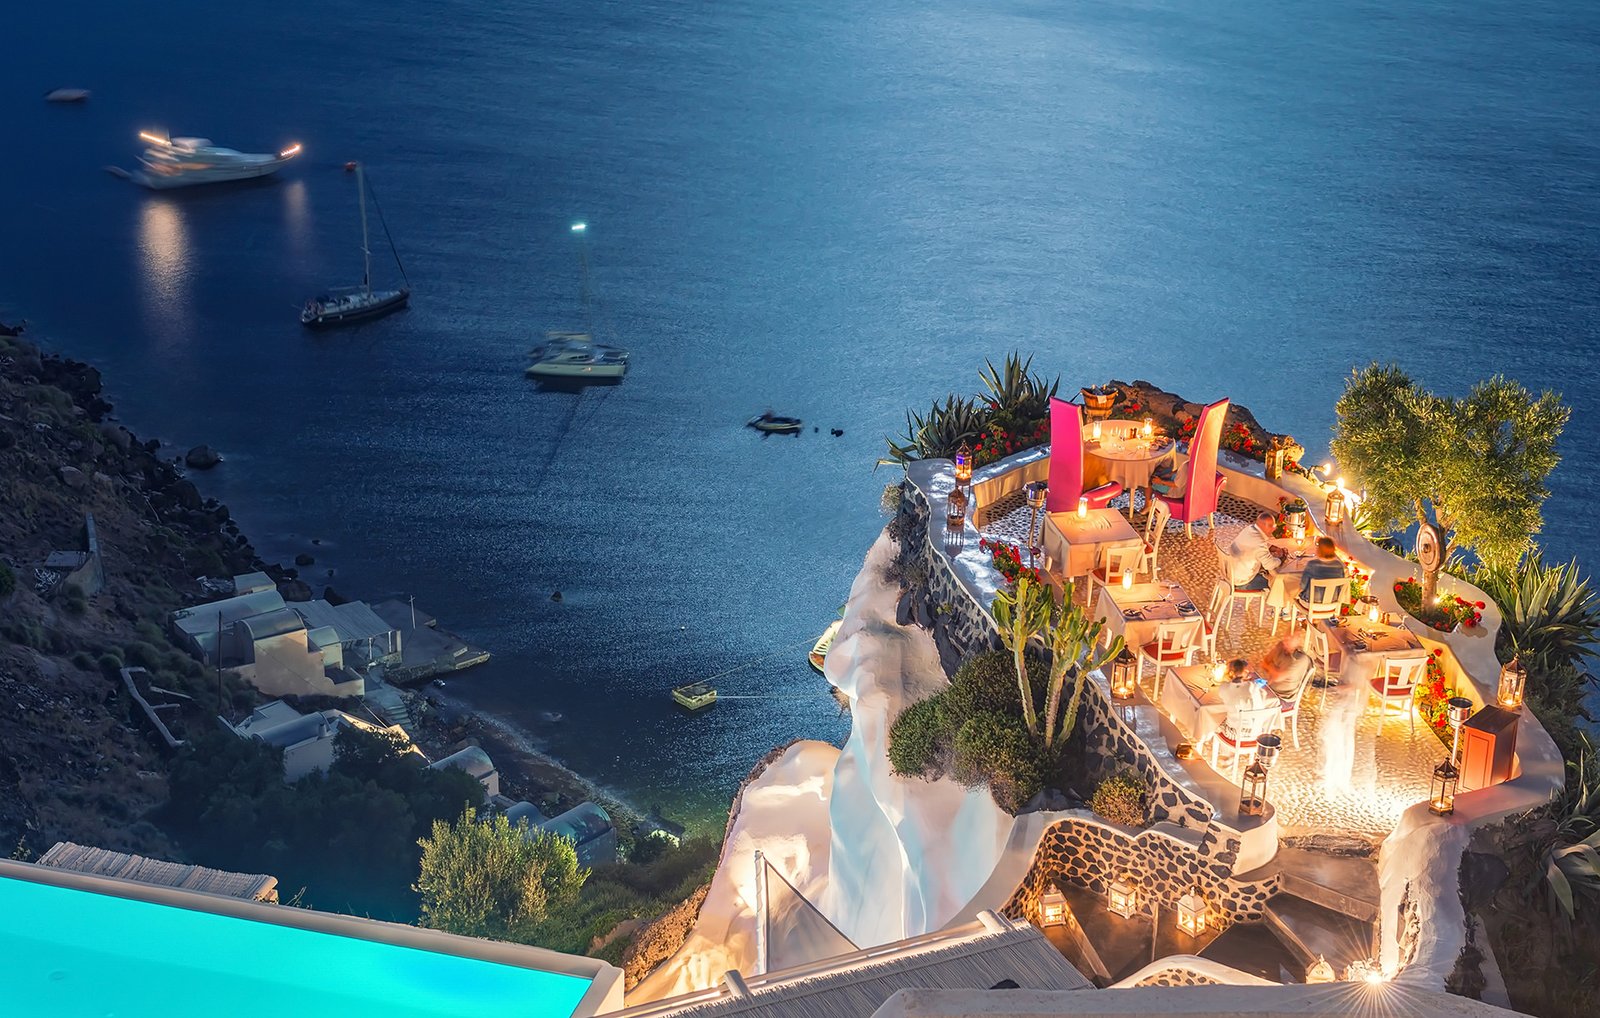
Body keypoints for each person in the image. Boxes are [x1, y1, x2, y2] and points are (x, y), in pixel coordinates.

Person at [1225, 512, 1284, 593]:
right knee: (1279, 583)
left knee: (1267, 573)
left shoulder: (1249, 529)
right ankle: (1283, 605)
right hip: (1241, 582)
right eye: (1272, 526)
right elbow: (1269, 565)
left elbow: (1255, 547)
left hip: (1228, 574)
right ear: (1264, 525)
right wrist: (1281, 559)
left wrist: (1272, 548)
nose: (1274, 529)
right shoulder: (1259, 543)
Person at [1258, 632, 1314, 701]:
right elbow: (1265, 662)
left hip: (1283, 698)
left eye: (1290, 638)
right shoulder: (1281, 645)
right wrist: (1271, 668)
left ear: (1297, 639)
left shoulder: (1300, 659)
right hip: (1269, 689)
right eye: (1285, 637)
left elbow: (1277, 677)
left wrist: (1270, 667)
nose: (1285, 641)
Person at [1299, 537, 1347, 601]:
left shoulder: (1312, 565)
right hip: (1332, 601)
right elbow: (1341, 586)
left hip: (1311, 602)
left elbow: (1303, 585)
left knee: (1294, 593)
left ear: (1319, 549)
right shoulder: (1339, 565)